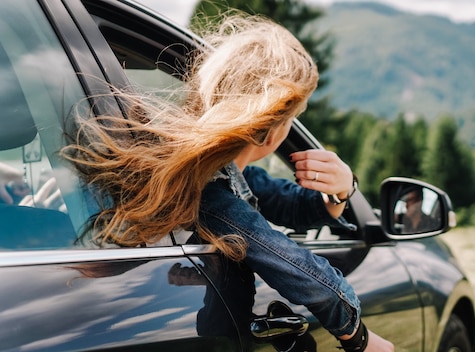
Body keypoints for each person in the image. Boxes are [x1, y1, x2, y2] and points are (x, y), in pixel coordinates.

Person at [62, 13, 393, 351]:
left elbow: (286, 203)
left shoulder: (224, 175)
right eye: (293, 118)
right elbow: (296, 268)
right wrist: (360, 338)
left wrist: (340, 190)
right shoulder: (210, 193)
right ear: (270, 128)